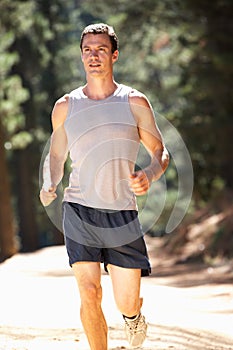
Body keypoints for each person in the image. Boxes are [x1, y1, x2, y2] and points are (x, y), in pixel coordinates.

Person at [40, 23, 169, 350]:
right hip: (79, 210)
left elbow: (160, 151)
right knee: (90, 291)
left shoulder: (134, 101)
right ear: (81, 56)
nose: (93, 56)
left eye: (100, 49)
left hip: (122, 214)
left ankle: (133, 315)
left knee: (126, 302)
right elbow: (57, 154)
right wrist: (49, 182)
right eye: (87, 50)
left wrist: (150, 174)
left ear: (114, 55)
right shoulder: (66, 106)